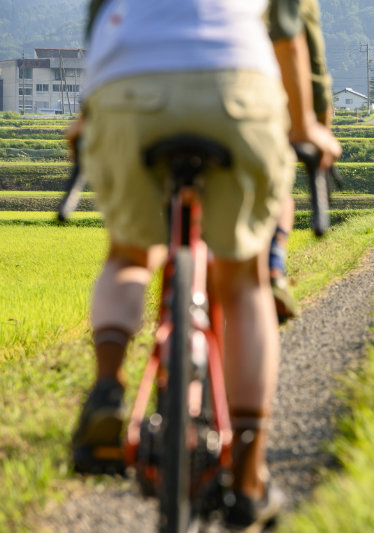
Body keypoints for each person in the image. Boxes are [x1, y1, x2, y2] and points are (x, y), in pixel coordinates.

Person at [69, 0, 340, 528]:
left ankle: (106, 388)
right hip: (237, 85)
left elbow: (102, 14)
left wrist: (87, 117)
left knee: (128, 254)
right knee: (243, 282)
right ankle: (247, 477)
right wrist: (307, 125)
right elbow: (290, 29)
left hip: (128, 83)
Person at [269, 0, 335, 322]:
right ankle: (273, 265)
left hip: (138, 105)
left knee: (128, 257)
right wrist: (314, 128)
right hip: (246, 105)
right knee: (278, 191)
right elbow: (310, 62)